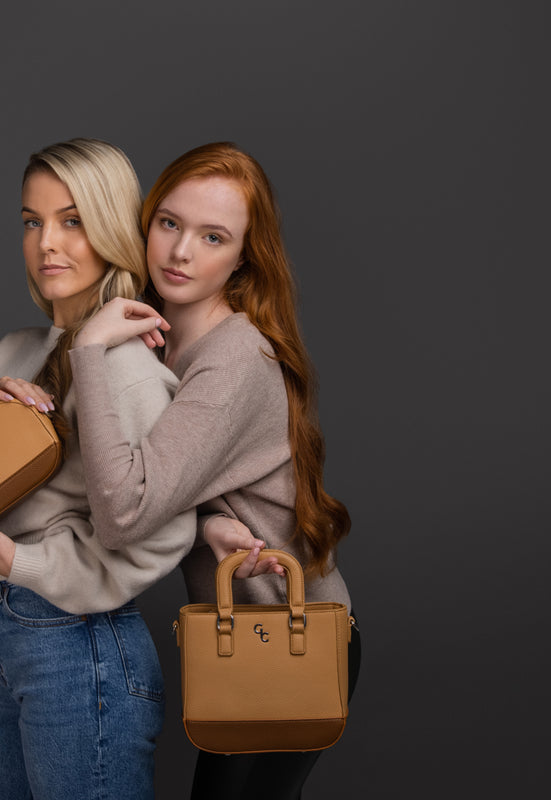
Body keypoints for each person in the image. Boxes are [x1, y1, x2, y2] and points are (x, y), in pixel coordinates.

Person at [0, 138, 196, 800]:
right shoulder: (14, 352)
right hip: (15, 655)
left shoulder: (123, 368)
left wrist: (19, 562)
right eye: (32, 222)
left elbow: (165, 529)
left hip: (81, 652)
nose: (46, 244)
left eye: (72, 220)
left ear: (111, 228)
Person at [68, 141, 360, 800]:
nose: (180, 252)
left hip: (293, 640)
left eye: (212, 235)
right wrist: (207, 529)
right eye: (169, 223)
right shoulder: (158, 340)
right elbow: (145, 484)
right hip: (247, 637)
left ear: (243, 258)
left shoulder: (231, 361)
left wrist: (88, 349)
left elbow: (122, 516)